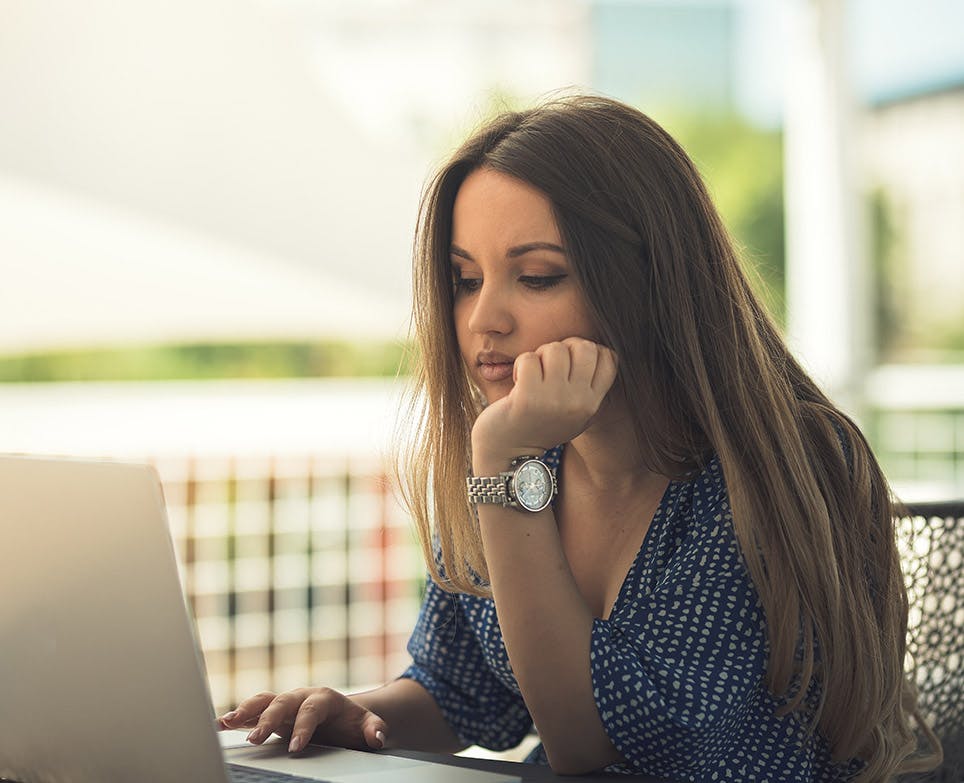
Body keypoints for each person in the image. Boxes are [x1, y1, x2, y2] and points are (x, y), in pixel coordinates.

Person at [218, 95, 940, 782]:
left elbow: (583, 740)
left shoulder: (784, 469)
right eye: (464, 279)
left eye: (536, 277)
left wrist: (504, 471)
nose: (482, 320)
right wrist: (360, 712)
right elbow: (460, 690)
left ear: (646, 282)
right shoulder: (517, 454)